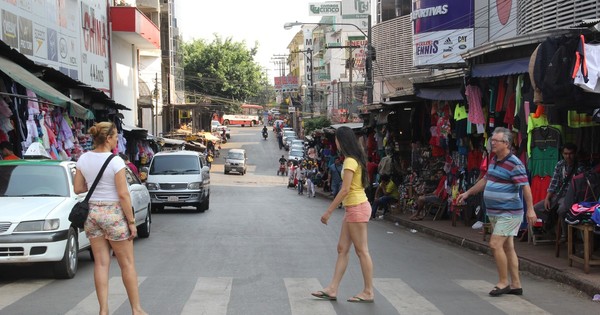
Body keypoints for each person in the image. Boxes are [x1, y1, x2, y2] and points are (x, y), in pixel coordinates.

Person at [73, 122, 147, 315]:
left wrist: (95, 185)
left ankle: (103, 310)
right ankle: (136, 309)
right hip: (113, 214)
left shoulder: (83, 158)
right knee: (127, 264)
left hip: (92, 214)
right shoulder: (115, 161)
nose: (117, 140)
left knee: (101, 263)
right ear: (108, 138)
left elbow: (78, 188)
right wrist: (131, 222)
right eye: (115, 137)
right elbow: (123, 194)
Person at [457, 127, 536, 297]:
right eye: (491, 140)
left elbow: (526, 187)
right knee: (508, 247)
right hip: (495, 212)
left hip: (509, 212)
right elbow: (486, 180)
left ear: (506, 143)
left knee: (495, 244)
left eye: (495, 141)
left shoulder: (515, 163)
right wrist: (468, 193)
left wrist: (530, 209)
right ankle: (516, 284)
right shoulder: (494, 160)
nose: (492, 143)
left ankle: (503, 282)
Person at [311, 126, 374, 303]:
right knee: (342, 249)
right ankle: (332, 288)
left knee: (362, 251)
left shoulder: (349, 161)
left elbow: (345, 189)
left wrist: (328, 211)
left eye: (337, 140)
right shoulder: (353, 159)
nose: (335, 143)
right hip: (353, 207)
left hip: (356, 207)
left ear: (342, 141)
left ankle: (368, 291)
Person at [532, 143, 582, 242]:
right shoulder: (560, 165)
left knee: (562, 210)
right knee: (536, 208)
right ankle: (554, 224)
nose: (568, 156)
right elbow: (553, 183)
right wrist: (547, 198)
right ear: (562, 154)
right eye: (566, 154)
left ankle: (565, 234)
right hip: (559, 195)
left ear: (575, 154)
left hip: (572, 196)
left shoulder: (579, 167)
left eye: (570, 154)